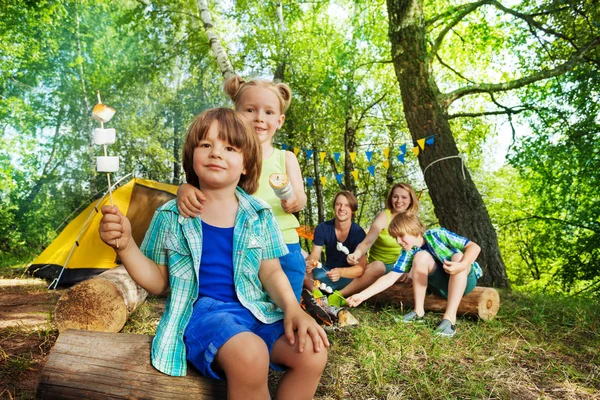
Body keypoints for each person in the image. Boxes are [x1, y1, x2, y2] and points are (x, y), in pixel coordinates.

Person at [98, 108, 328, 399]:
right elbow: (158, 282)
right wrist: (126, 245)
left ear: (246, 163)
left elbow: (270, 271)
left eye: (229, 147)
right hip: (203, 314)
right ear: (192, 157)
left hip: (256, 311)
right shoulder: (170, 215)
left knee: (311, 352)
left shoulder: (260, 215)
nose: (216, 153)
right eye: (206, 145)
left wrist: (293, 309)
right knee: (251, 352)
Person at [177, 75, 306, 301]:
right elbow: (205, 188)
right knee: (248, 305)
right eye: (250, 110)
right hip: (242, 246)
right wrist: (184, 188)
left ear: (280, 120)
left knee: (287, 306)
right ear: (236, 114)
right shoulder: (227, 160)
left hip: (285, 245)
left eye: (269, 112)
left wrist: (295, 201)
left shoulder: (285, 158)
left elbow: (301, 197)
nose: (259, 118)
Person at [346, 212, 482, 337]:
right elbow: (391, 277)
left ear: (414, 230)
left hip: (464, 281)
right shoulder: (409, 251)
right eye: (395, 237)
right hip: (442, 287)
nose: (398, 241)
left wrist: (462, 265)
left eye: (401, 236)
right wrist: (362, 295)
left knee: (458, 257)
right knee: (421, 256)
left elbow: (474, 247)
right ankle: (418, 313)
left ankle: (449, 319)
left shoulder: (438, 234)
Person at [305, 190, 379, 298]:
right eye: (338, 204)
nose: (341, 208)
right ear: (334, 207)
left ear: (353, 210)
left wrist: (340, 272)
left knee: (378, 266)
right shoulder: (322, 228)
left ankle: (338, 296)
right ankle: (316, 294)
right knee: (298, 261)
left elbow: (360, 268)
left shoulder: (358, 232)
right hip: (326, 274)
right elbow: (315, 254)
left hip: (349, 278)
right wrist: (311, 262)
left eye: (346, 205)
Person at [345, 183, 419, 284]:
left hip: (402, 268)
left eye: (404, 197)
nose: (399, 201)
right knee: (378, 266)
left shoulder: (413, 219)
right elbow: (367, 242)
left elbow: (418, 248)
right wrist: (356, 254)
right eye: (395, 197)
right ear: (390, 198)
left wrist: (411, 270)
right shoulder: (384, 216)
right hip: (381, 268)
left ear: (411, 200)